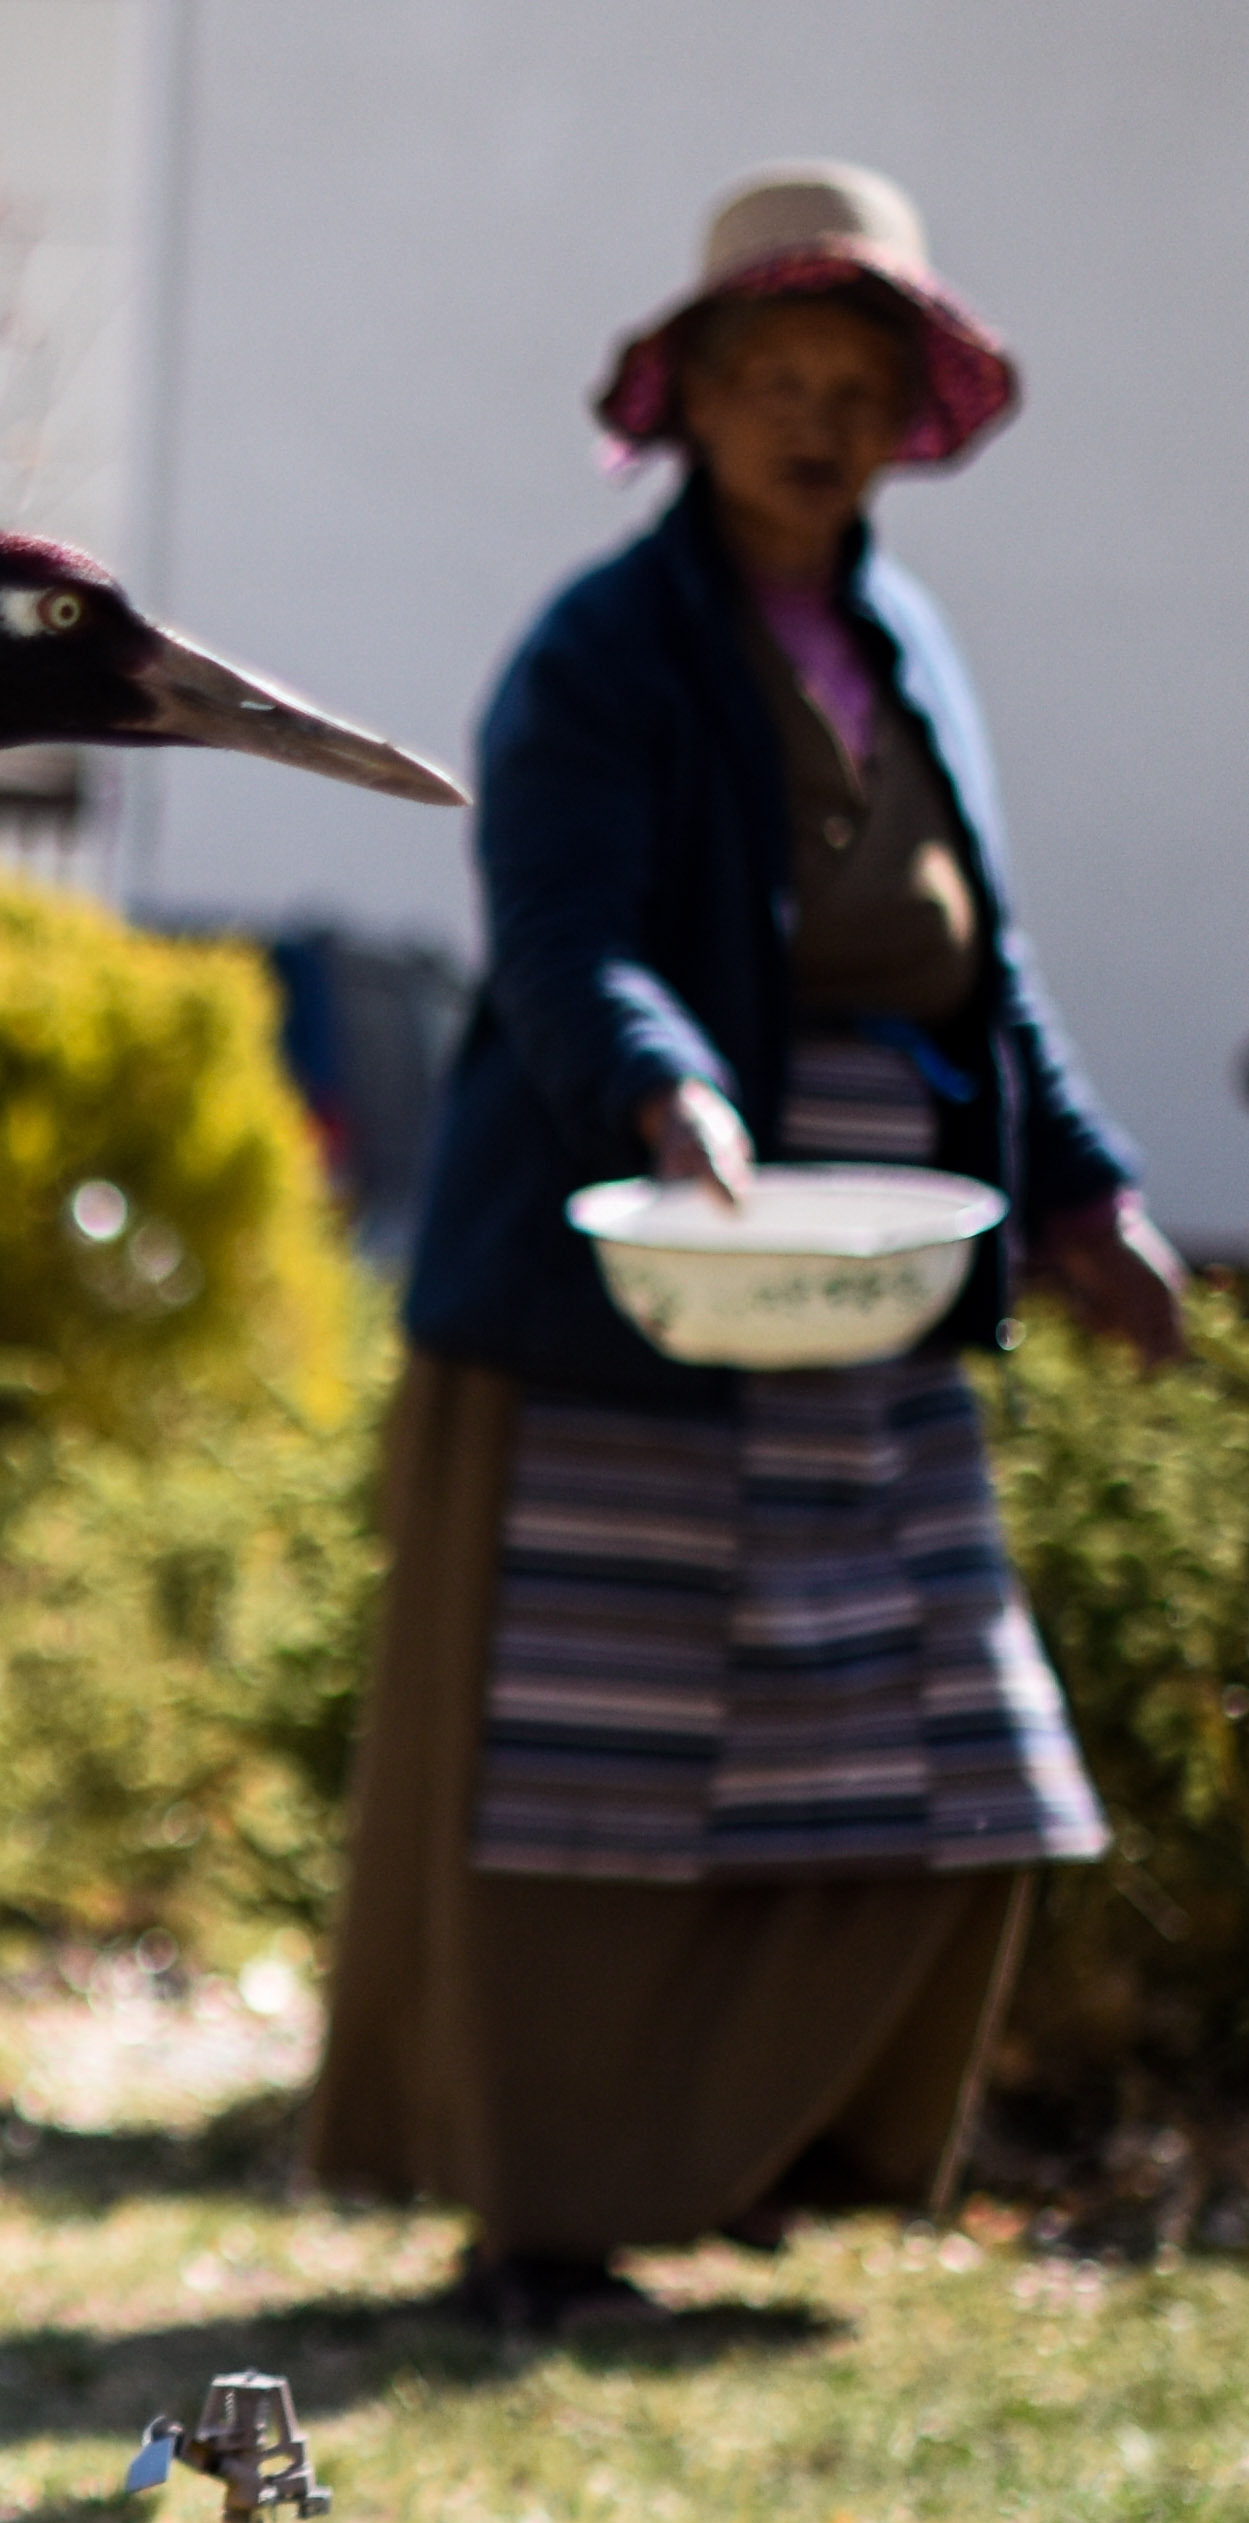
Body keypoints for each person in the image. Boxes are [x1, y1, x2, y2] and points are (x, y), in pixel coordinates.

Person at [309, 162, 1191, 2334]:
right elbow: (564, 935)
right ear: (690, 402)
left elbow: (993, 977)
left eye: (852, 384)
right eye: (771, 378)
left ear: (908, 415)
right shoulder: (599, 654)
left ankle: (769, 2160)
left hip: (871, 1290)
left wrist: (1087, 1194)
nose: (813, 420)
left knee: (944, 1755)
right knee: (590, 1769)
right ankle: (544, 2218)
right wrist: (668, 1097)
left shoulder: (910, 652)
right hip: (637, 1278)